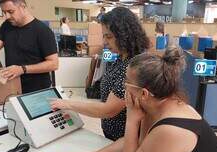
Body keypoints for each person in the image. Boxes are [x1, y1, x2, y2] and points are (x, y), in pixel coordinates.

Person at [66, 46, 217, 152]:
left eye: (126, 81)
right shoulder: (157, 103)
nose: (123, 85)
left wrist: (131, 120)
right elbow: (136, 143)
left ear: (143, 93)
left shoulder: (171, 128)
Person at [50, 7, 150, 141]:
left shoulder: (135, 65)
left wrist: (68, 104)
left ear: (125, 34)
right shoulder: (120, 57)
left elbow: (108, 109)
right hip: (111, 133)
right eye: (103, 36)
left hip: (125, 139)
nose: (104, 42)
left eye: (109, 36)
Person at [0, 0, 58, 93]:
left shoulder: (42, 31)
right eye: (4, 12)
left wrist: (22, 69)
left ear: (23, 6)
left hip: (37, 90)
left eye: (10, 12)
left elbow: (53, 64)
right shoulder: (7, 26)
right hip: (12, 87)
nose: (6, 16)